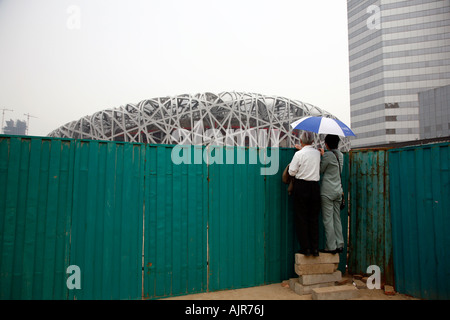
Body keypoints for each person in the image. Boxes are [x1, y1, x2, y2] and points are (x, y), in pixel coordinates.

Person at [288, 131, 321, 256]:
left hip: (301, 187)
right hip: (315, 187)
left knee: (301, 218)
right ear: (312, 141)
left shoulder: (299, 154)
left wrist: (299, 151)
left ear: (301, 141)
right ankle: (315, 249)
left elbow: (291, 172)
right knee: (313, 218)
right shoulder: (317, 153)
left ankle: (306, 248)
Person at [319, 134, 344, 254]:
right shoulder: (341, 155)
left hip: (327, 191)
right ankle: (340, 244)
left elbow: (321, 170)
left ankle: (331, 246)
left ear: (327, 144)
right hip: (338, 190)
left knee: (328, 219)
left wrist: (323, 156)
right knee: (337, 218)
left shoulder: (328, 155)